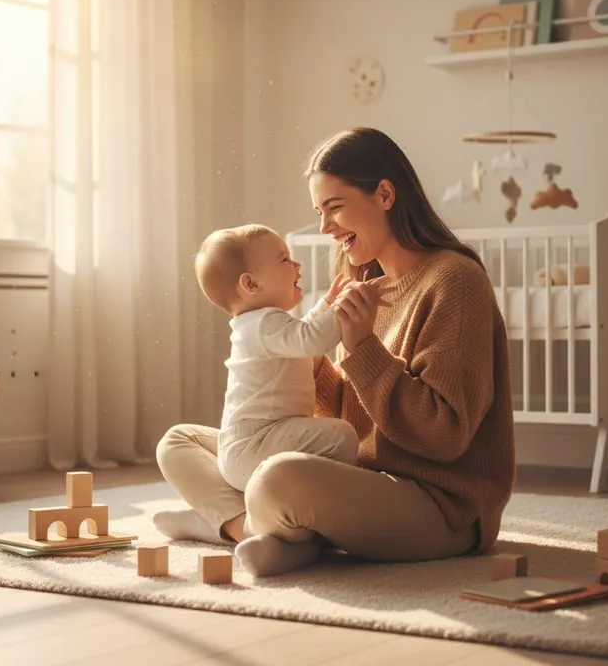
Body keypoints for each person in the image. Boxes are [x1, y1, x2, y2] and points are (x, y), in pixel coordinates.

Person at [155, 127, 515, 578]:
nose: (325, 227)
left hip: (438, 504)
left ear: (384, 194)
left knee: (276, 477)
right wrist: (305, 365)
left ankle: (241, 523)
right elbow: (352, 414)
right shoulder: (360, 281)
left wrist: (361, 346)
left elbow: (443, 436)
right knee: (180, 442)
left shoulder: (454, 282)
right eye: (319, 212)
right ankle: (247, 528)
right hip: (362, 476)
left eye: (335, 208)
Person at [191, 223, 387, 492]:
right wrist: (347, 303)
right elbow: (312, 338)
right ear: (251, 283)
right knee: (340, 435)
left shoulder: (259, 324)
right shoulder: (263, 324)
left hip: (250, 443)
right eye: (285, 259)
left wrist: (327, 303)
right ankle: (334, 496)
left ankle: (240, 516)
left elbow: (302, 332)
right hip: (256, 442)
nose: (297, 265)